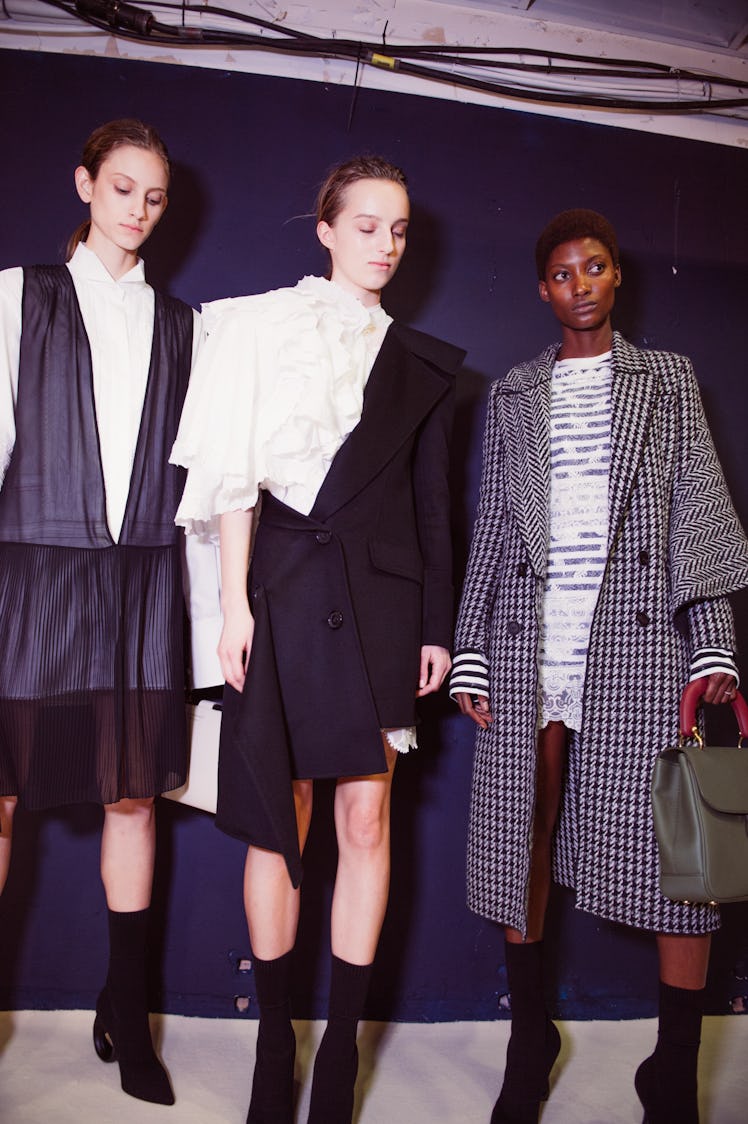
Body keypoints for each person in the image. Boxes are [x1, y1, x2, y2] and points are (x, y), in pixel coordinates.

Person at [171, 155, 464, 1123]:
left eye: (399, 228)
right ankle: (273, 1044)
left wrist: (434, 629)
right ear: (325, 228)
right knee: (278, 820)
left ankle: (338, 1048)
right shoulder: (259, 326)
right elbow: (232, 482)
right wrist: (235, 605)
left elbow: (433, 509)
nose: (385, 243)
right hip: (284, 595)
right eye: (367, 223)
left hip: (381, 611)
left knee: (365, 821)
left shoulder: (423, 362)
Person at [449, 208, 748, 1124]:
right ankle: (530, 1039)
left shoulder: (668, 380)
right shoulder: (512, 395)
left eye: (596, 267)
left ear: (618, 277)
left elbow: (698, 507)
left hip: (642, 642)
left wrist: (715, 648)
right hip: (532, 644)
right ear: (544, 289)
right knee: (519, 846)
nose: (581, 284)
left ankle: (674, 1069)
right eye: (563, 273)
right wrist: (470, 649)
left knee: (682, 863)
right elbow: (496, 525)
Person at [0, 118, 202, 1106]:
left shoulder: (181, 324)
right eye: (123, 188)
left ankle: (128, 1013)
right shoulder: (17, 296)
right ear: (85, 184)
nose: (139, 211)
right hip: (29, 575)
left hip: (136, 581)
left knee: (134, 796)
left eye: (155, 197)